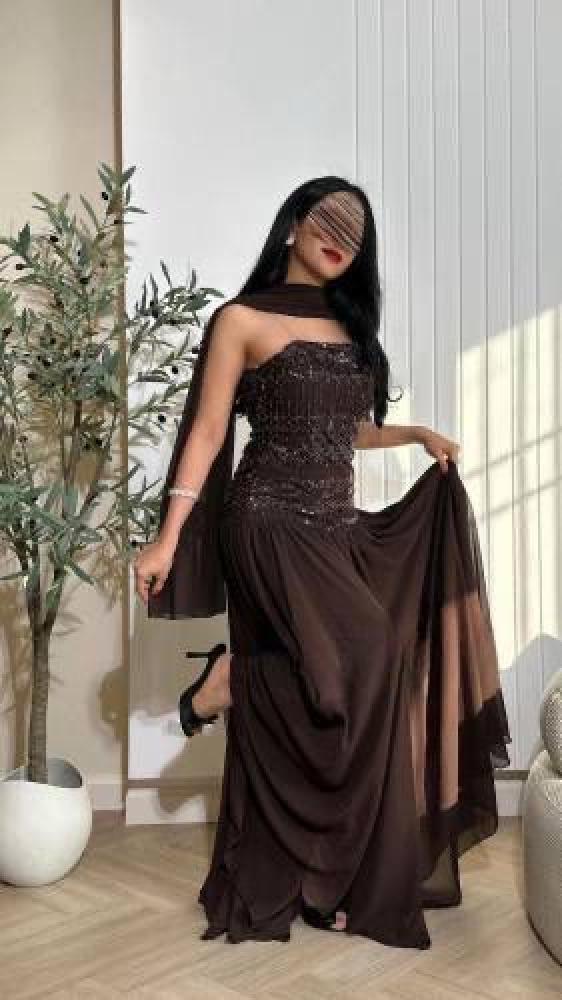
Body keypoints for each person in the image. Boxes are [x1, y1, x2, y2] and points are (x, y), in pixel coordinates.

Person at [133, 176, 511, 948]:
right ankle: (231, 683)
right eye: (329, 219)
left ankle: (314, 848)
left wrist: (414, 434)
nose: (341, 237)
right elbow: (208, 432)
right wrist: (168, 537)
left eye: (356, 231)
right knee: (369, 652)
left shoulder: (349, 327)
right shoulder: (241, 319)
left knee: (339, 677)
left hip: (334, 527)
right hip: (267, 518)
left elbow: (346, 431)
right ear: (293, 225)